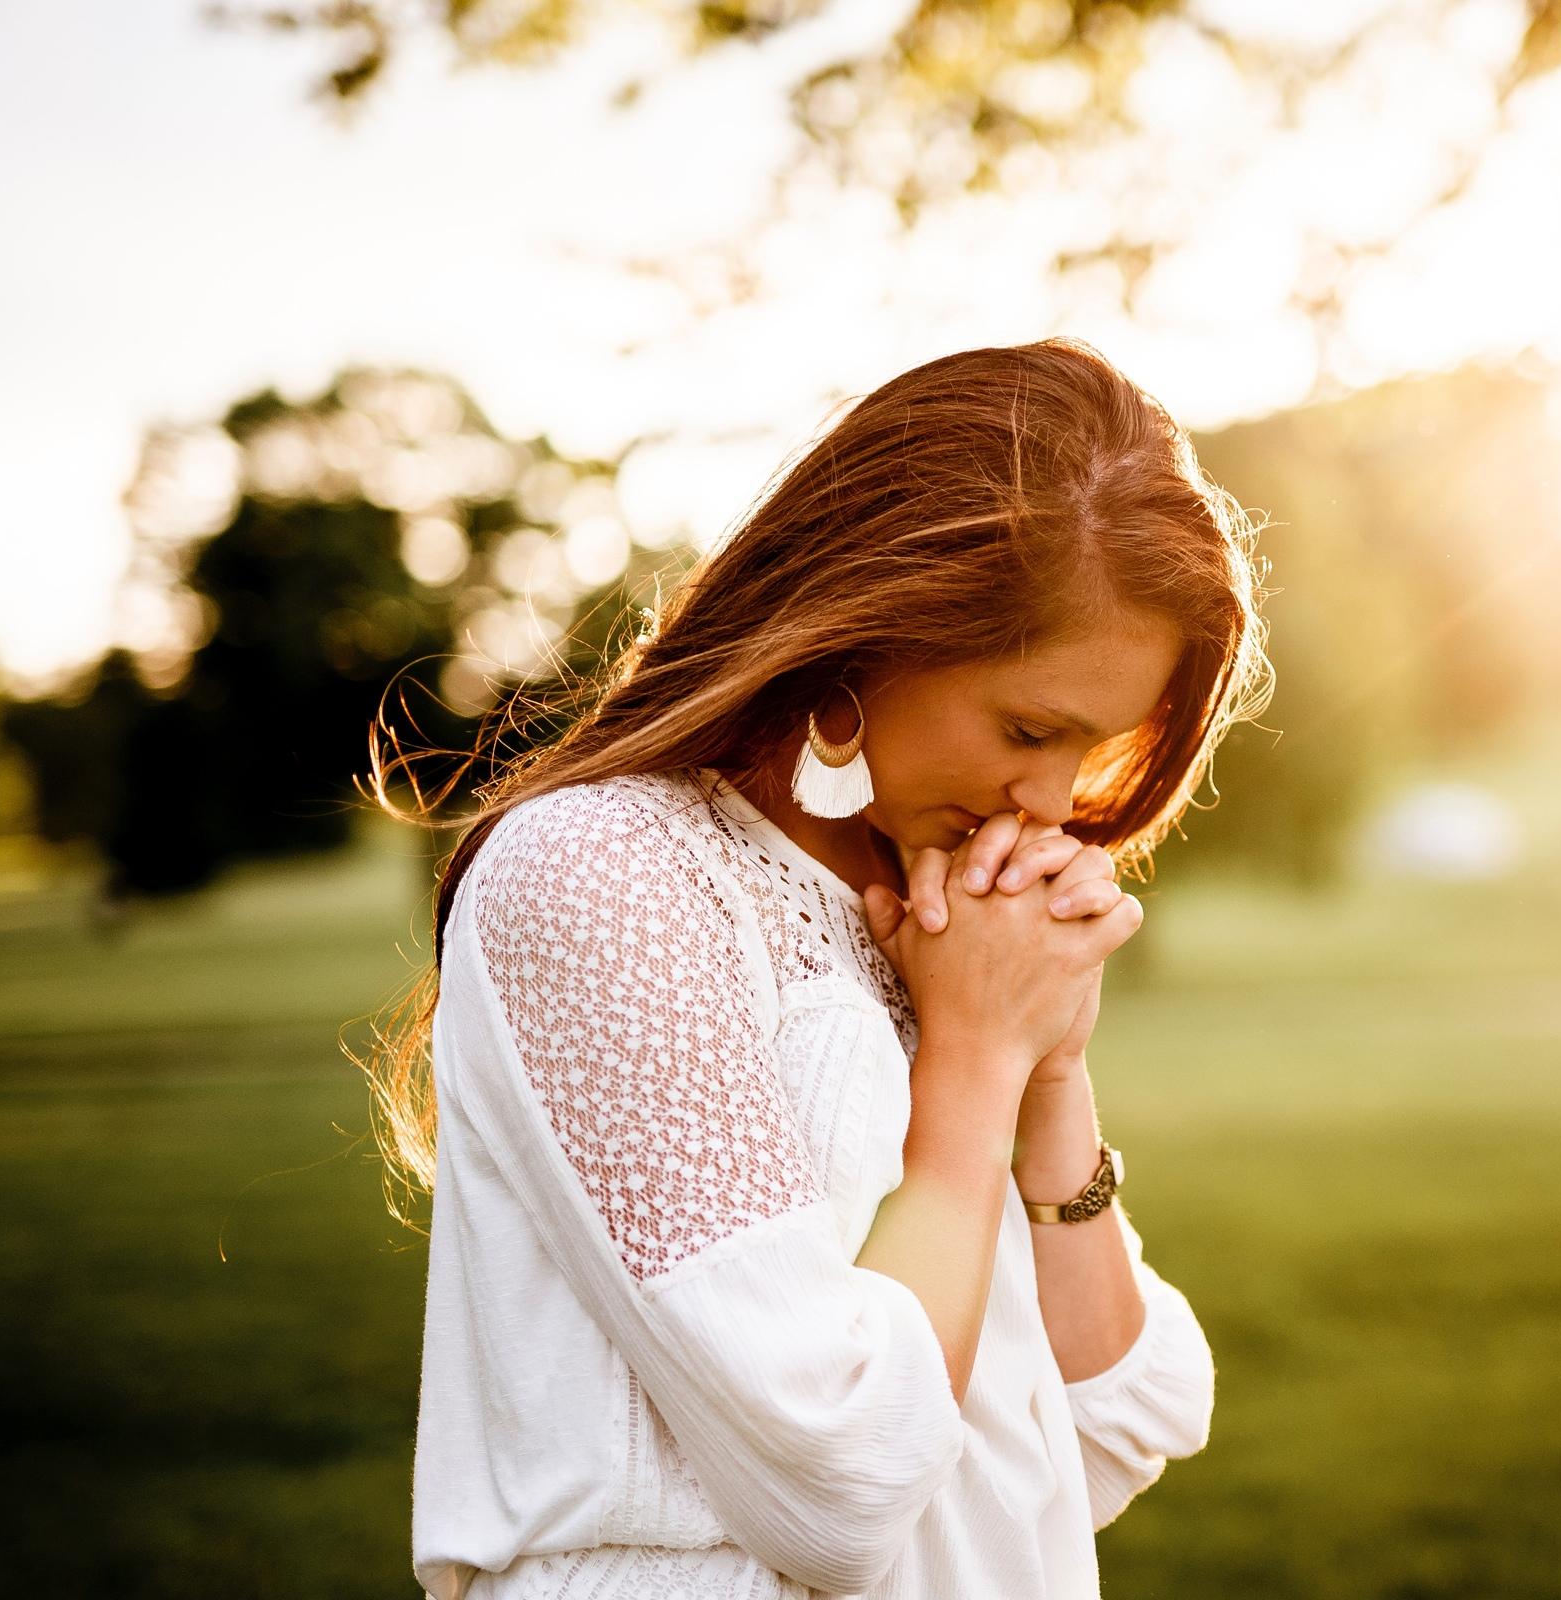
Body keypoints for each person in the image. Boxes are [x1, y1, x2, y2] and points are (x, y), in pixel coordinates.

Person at [362, 338, 1274, 1599]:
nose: (1055, 801)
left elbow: (1115, 1423)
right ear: (868, 635)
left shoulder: (920, 912)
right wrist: (974, 1067)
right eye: (1027, 729)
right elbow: (839, 1484)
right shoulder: (606, 875)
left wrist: (1047, 1069)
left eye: (1091, 747)